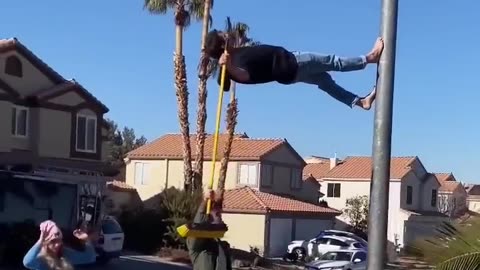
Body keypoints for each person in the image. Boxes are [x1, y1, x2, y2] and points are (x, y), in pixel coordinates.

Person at [205, 30, 384, 110]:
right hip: (294, 63)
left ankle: (361, 102)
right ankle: (369, 58)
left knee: (326, 82)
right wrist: (227, 66)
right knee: (332, 61)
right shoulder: (234, 64)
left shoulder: (236, 55)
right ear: (223, 44)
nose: (226, 33)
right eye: (223, 35)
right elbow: (246, 76)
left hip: (291, 70)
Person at [23, 220, 97, 270]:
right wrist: (40, 240)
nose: (57, 244)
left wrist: (86, 240)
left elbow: (89, 258)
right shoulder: (41, 259)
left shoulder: (65, 254)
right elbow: (27, 262)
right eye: (53, 241)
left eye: (59, 240)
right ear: (45, 243)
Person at [187, 189, 232, 270]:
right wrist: (205, 201)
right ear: (208, 217)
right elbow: (198, 226)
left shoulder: (222, 247)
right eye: (217, 214)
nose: (220, 218)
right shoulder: (198, 245)